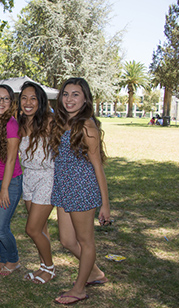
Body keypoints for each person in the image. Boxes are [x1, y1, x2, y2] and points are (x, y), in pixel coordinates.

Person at [51, 78, 111, 305]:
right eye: (66, 94)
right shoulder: (62, 122)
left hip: (82, 189)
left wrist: (105, 204)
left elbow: (98, 165)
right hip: (65, 188)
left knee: (86, 241)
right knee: (67, 240)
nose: (69, 99)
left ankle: (79, 290)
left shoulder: (86, 125)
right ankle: (95, 273)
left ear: (85, 98)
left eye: (75, 94)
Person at [17, 82, 55, 284]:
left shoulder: (50, 121)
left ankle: (49, 268)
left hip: (47, 177)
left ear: (40, 101)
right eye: (24, 98)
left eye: (33, 98)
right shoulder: (22, 123)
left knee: (31, 229)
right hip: (28, 178)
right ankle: (43, 267)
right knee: (41, 228)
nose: (28, 102)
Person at [0, 85, 22, 276]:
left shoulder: (12, 124)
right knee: (1, 225)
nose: (1, 102)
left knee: (0, 227)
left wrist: (5, 188)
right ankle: (3, 259)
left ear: (11, 102)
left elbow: (10, 159)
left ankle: (14, 259)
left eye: (5, 98)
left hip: (11, 181)